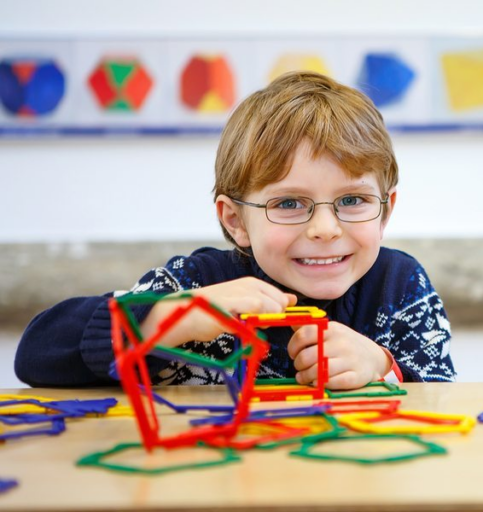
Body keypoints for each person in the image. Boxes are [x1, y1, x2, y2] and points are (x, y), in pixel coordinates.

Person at [15, 71, 456, 389]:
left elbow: (445, 397)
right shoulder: (195, 285)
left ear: (385, 210)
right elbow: (38, 353)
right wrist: (168, 318)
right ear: (235, 220)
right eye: (288, 203)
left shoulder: (399, 285)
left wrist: (382, 365)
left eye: (352, 201)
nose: (325, 228)